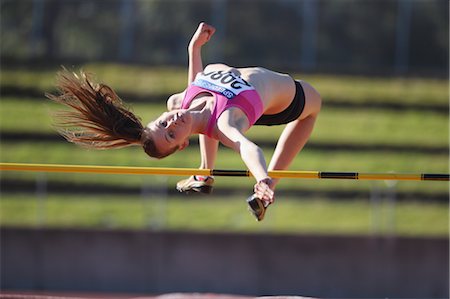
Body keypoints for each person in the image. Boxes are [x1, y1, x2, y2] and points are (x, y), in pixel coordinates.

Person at [48, 22, 321, 221]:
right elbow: (249, 149)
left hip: (233, 106)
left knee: (197, 118)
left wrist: (194, 49)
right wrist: (263, 178)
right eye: (170, 135)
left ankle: (204, 173)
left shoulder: (178, 103)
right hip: (292, 99)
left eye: (162, 124)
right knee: (313, 107)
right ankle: (266, 189)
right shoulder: (225, 124)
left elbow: (195, 83)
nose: (172, 124)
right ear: (181, 146)